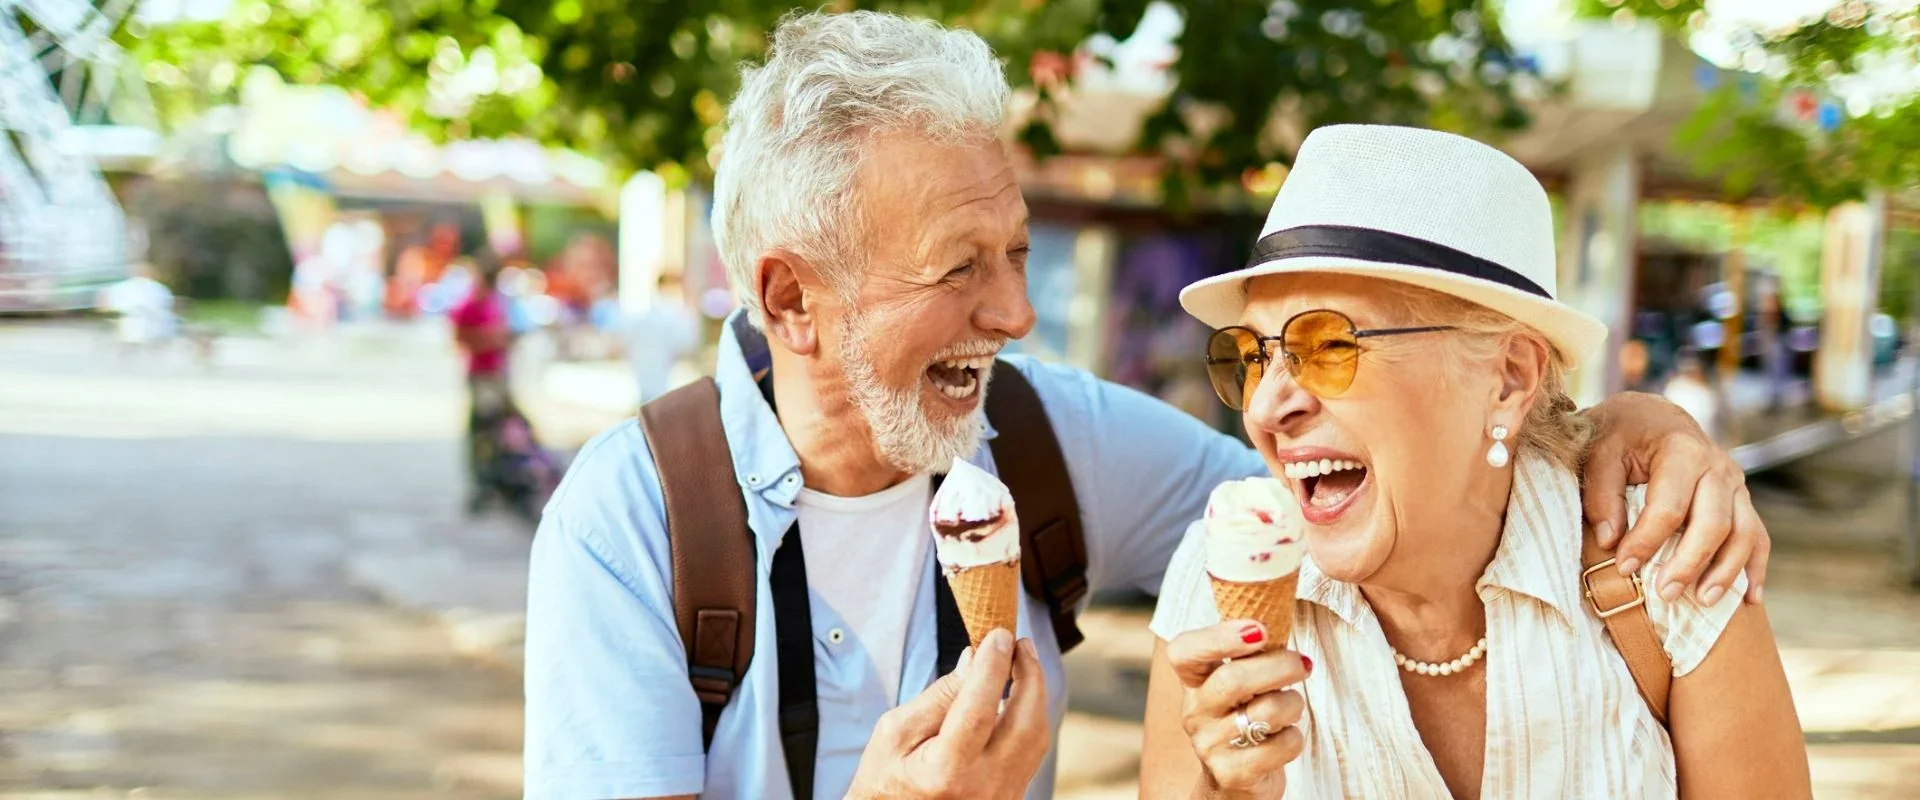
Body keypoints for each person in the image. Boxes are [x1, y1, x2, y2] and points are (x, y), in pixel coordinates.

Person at [522, 13, 1771, 800]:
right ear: (792, 298)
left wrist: (1632, 423)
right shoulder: (632, 527)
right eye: (961, 268)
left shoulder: (1061, 445)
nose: (1013, 313)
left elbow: (1375, 472)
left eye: (1017, 254)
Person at [1140, 125, 1807, 799]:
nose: (1267, 407)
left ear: (1510, 379)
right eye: (1252, 356)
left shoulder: (1667, 556)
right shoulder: (1217, 571)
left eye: (1332, 346)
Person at [449, 252, 516, 508]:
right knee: (482, 433)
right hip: (481, 375)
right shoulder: (469, 305)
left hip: (496, 375)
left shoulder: (496, 303)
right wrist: (489, 340)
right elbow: (460, 339)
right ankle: (482, 483)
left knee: (501, 431)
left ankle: (500, 481)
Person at [621, 272, 702, 403]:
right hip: (662, 386)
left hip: (652, 382)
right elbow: (688, 342)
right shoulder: (672, 314)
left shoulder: (649, 314)